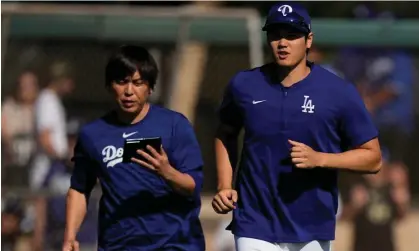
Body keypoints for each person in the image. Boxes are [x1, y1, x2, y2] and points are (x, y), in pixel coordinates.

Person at [212, 2, 382, 251]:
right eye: (276, 35)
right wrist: (224, 185)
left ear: (308, 40)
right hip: (254, 223)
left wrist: (320, 159)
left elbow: (373, 158)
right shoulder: (243, 85)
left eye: (292, 36)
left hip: (312, 226)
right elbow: (225, 133)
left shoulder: (338, 91)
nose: (283, 43)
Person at [63, 45, 205, 251]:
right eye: (122, 82)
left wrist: (167, 173)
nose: (129, 91)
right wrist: (69, 236)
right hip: (119, 245)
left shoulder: (174, 125)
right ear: (109, 85)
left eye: (138, 83)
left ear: (150, 87)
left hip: (174, 244)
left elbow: (193, 185)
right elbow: (79, 189)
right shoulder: (93, 135)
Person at [344, 150, 410, 251]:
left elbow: (401, 217)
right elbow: (344, 217)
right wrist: (355, 206)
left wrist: (402, 204)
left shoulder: (391, 189)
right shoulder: (358, 187)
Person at [1, 71, 39, 186]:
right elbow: (4, 131)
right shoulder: (9, 107)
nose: (24, 89)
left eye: (29, 85)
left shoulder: (41, 108)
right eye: (22, 85)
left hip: (35, 165)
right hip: (12, 163)